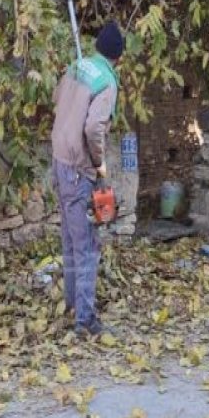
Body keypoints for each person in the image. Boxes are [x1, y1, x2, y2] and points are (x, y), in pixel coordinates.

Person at [50, 20, 124, 336]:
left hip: (59, 160)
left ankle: (72, 302)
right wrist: (100, 165)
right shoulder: (107, 80)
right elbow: (94, 128)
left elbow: (57, 99)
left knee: (70, 238)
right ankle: (85, 320)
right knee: (88, 247)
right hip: (80, 169)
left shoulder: (76, 66)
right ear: (119, 56)